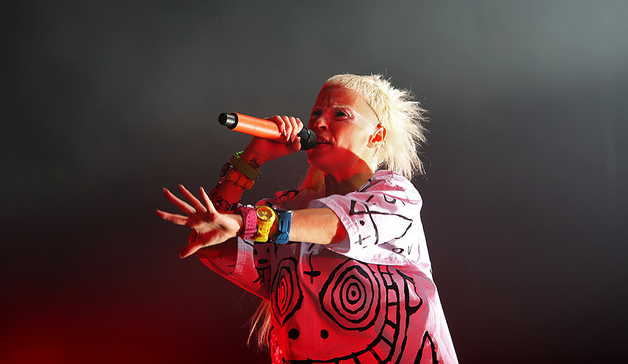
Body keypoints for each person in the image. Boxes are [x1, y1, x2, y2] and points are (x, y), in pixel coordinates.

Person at [157, 74, 458, 363]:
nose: (319, 123)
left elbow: (339, 226)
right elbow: (212, 242)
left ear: (376, 135)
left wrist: (245, 222)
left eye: (339, 114)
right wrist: (254, 155)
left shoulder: (395, 195)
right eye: (316, 113)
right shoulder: (290, 207)